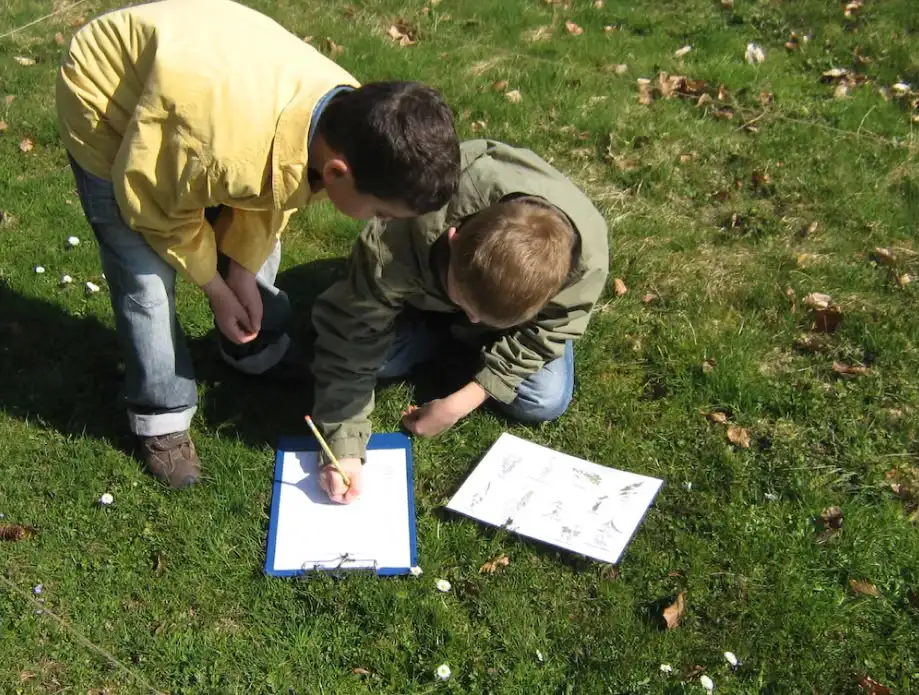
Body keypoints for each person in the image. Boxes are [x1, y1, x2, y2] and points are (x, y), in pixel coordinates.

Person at [56, 0, 460, 488]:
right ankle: (161, 415)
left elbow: (277, 185)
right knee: (143, 274)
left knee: (246, 228)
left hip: (205, 78)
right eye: (380, 212)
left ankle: (252, 349)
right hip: (110, 88)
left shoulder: (350, 117)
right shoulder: (219, 151)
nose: (376, 223)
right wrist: (217, 288)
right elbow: (157, 210)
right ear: (337, 172)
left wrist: (241, 271)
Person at [310, 139, 609, 503]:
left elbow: (547, 332)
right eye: (465, 304)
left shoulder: (583, 267)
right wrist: (344, 446)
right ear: (453, 239)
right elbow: (352, 329)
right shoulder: (408, 223)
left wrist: (463, 401)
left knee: (544, 400)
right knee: (377, 361)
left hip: (472, 306)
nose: (472, 318)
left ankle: (449, 342)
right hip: (421, 298)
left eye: (483, 318)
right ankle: (447, 336)